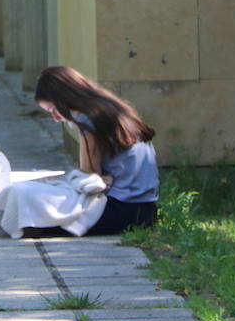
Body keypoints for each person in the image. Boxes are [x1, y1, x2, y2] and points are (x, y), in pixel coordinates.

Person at [32, 65, 159, 235]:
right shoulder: (108, 105)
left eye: (53, 110)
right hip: (145, 209)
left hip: (122, 210)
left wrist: (68, 178)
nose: (55, 119)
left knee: (38, 215)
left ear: (64, 98)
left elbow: (89, 180)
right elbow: (95, 178)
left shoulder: (87, 118)